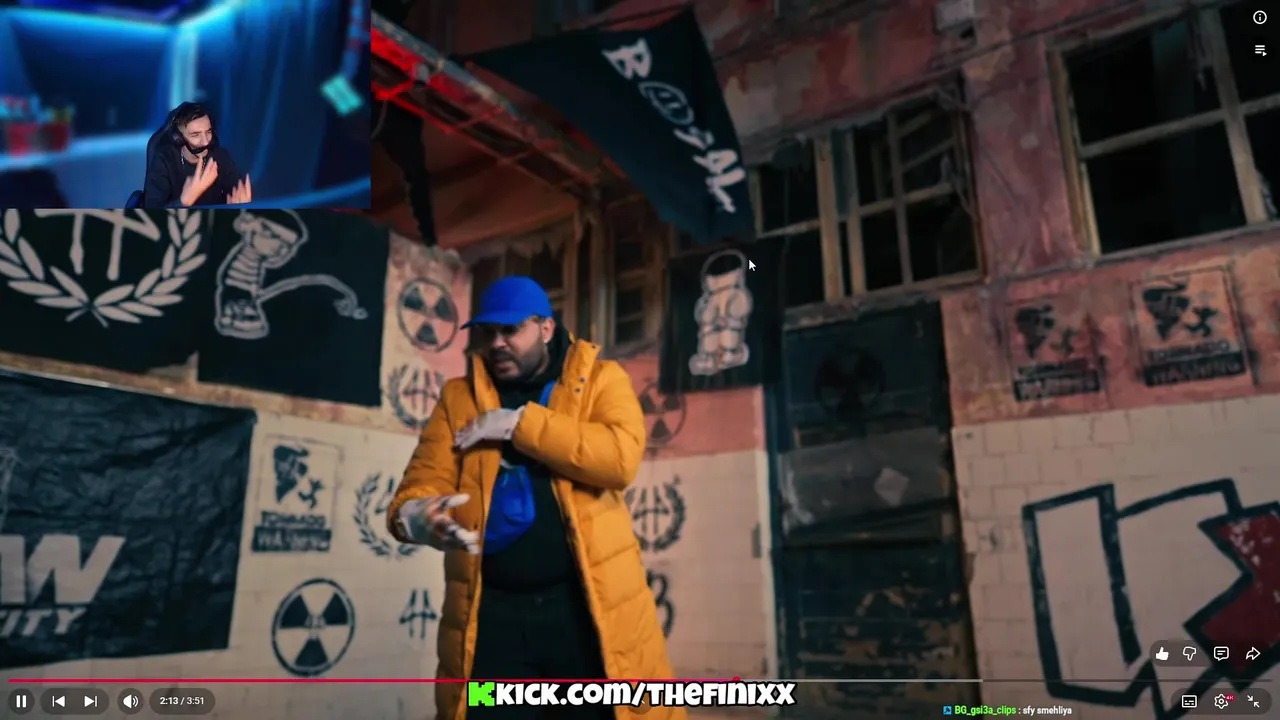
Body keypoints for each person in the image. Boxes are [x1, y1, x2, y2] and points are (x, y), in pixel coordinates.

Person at [387, 276, 683, 720]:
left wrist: (518, 424)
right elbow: (423, 480)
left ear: (546, 328)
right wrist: (415, 516)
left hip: (582, 612)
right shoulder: (458, 398)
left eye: (511, 330)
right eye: (488, 332)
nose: (497, 343)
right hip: (493, 617)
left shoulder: (600, 380)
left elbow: (619, 459)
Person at [142, 102, 251, 208]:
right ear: (178, 138)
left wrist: (241, 206)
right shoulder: (163, 160)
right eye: (195, 135)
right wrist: (184, 201)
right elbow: (152, 213)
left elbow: (236, 194)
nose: (205, 142)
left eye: (208, 132)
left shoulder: (220, 156)